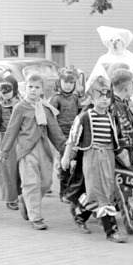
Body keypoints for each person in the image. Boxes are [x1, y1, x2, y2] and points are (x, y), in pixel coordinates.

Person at [61, 76, 129, 242]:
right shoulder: (85, 117)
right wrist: (66, 157)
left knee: (99, 191)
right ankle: (111, 232)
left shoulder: (111, 117)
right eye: (101, 96)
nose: (105, 99)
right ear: (92, 98)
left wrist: (123, 158)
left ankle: (80, 212)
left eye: (107, 96)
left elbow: (115, 138)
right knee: (102, 193)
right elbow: (73, 137)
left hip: (108, 156)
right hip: (92, 157)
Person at [0, 72, 66, 230]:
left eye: (37, 87)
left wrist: (64, 149)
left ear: (43, 90)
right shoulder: (20, 108)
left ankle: (26, 201)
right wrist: (4, 151)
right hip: (26, 151)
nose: (33, 90)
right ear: (25, 88)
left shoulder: (46, 108)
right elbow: (11, 131)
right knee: (31, 183)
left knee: (45, 182)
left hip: (44, 149)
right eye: (30, 87)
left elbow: (55, 131)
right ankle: (35, 217)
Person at [110, 68, 133, 236]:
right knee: (127, 189)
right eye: (132, 85)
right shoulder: (114, 106)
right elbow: (116, 134)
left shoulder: (123, 104)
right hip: (118, 155)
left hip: (127, 153)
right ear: (126, 87)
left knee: (126, 189)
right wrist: (123, 152)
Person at [87, 26, 133, 115]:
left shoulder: (130, 57)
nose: (114, 43)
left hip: (129, 94)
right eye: (111, 41)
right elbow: (95, 80)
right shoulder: (104, 59)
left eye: (117, 40)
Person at [49, 68, 83, 203]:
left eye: (71, 82)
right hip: (61, 136)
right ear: (59, 82)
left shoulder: (75, 97)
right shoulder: (56, 98)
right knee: (65, 164)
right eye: (65, 82)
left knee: (75, 163)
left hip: (75, 135)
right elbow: (51, 117)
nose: (68, 85)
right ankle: (63, 193)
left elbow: (81, 114)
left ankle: (72, 191)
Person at [0, 74, 21, 211]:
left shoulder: (22, 104)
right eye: (3, 89)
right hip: (5, 140)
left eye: (8, 88)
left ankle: (22, 194)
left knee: (22, 169)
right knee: (7, 171)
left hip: (21, 140)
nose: (5, 92)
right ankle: (10, 198)